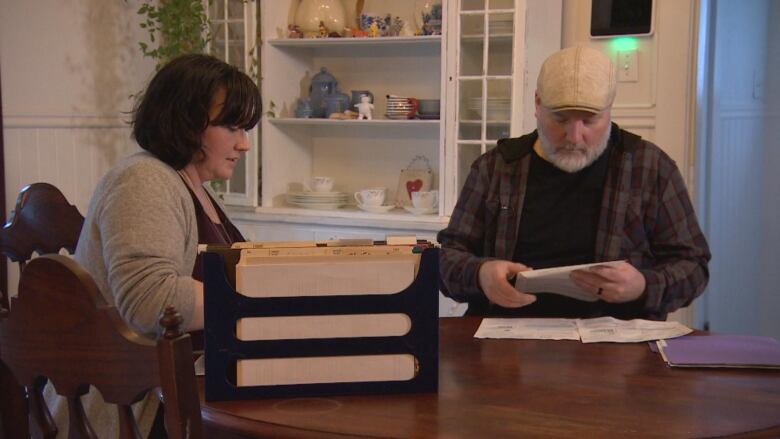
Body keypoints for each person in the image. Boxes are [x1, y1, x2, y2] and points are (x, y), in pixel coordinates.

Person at [47, 53, 260, 438]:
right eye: (232, 126)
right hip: (133, 411)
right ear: (187, 120)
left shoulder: (194, 187)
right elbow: (151, 300)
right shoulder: (143, 180)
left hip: (179, 394)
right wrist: (262, 300)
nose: (244, 144)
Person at [437, 46, 711, 320]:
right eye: (560, 119)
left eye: (589, 120)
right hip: (508, 342)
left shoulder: (651, 167)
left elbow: (694, 267)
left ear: (610, 109)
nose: (574, 137)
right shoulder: (495, 167)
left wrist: (643, 286)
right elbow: (446, 258)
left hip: (616, 346)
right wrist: (480, 274)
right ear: (537, 104)